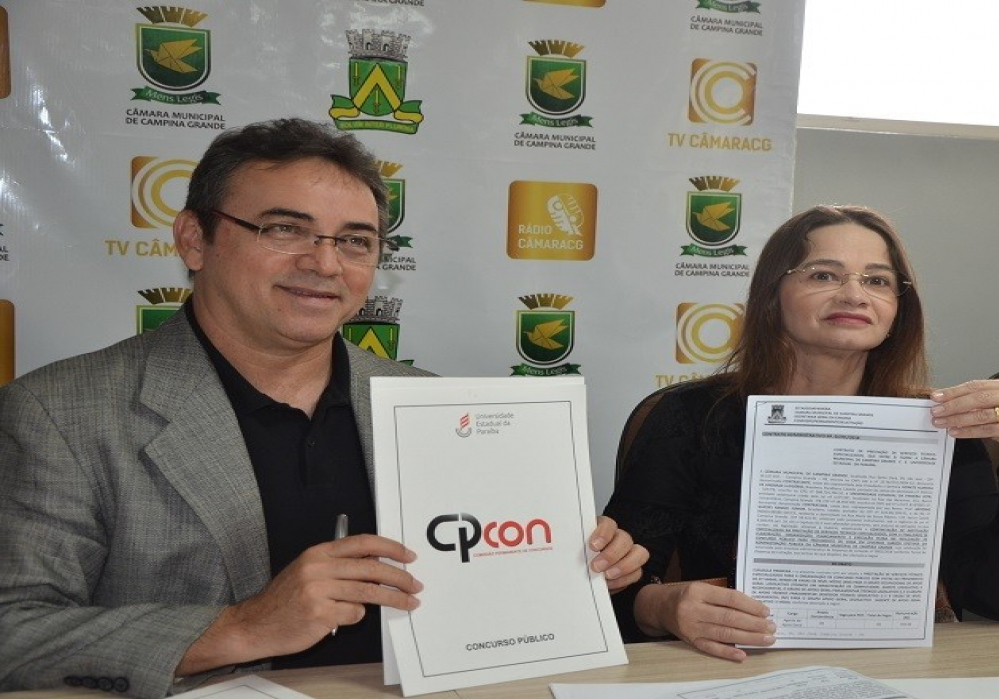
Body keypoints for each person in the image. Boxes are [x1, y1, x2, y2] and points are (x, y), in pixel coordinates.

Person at [0, 118, 646, 697]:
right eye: (285, 229)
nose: (325, 263)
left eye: (355, 241)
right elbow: (14, 631)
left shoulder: (430, 405)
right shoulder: (61, 413)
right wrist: (242, 627)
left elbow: (483, 591)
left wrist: (570, 570)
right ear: (194, 239)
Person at [604, 205, 999, 661]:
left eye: (877, 281)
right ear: (772, 295)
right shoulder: (690, 417)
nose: (855, 295)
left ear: (898, 310)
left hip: (902, 667)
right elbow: (613, 588)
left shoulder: (939, 425)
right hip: (738, 666)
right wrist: (661, 607)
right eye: (824, 275)